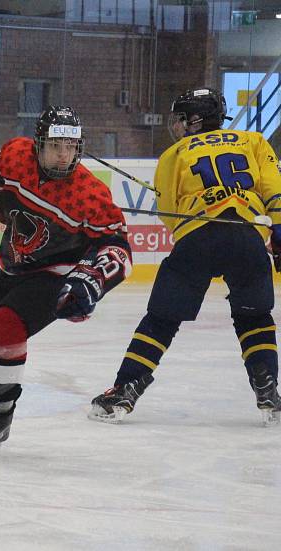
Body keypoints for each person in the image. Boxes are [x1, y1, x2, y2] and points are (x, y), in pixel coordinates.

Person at [0, 106, 132, 457]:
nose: (63, 154)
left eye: (71, 147)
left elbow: (118, 247)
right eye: (55, 146)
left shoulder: (90, 195)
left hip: (55, 272)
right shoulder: (13, 157)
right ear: (38, 144)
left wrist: (91, 282)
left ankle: (0, 418)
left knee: (4, 327)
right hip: (12, 263)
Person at [88, 87, 281, 426]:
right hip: (247, 236)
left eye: (180, 118)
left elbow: (169, 212)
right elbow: (274, 190)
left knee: (161, 318)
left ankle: (127, 387)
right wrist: (277, 232)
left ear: (195, 120)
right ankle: (267, 388)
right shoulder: (253, 141)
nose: (175, 125)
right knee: (255, 316)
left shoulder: (175, 154)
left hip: (198, 238)